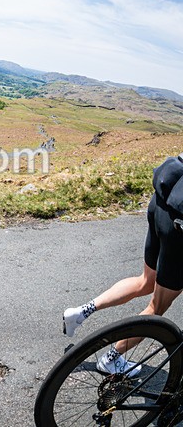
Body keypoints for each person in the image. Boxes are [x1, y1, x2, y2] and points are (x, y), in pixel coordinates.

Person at [62, 153, 183, 376]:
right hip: (179, 224)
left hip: (162, 203)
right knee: (156, 308)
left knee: (146, 281)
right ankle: (111, 359)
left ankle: (79, 313)